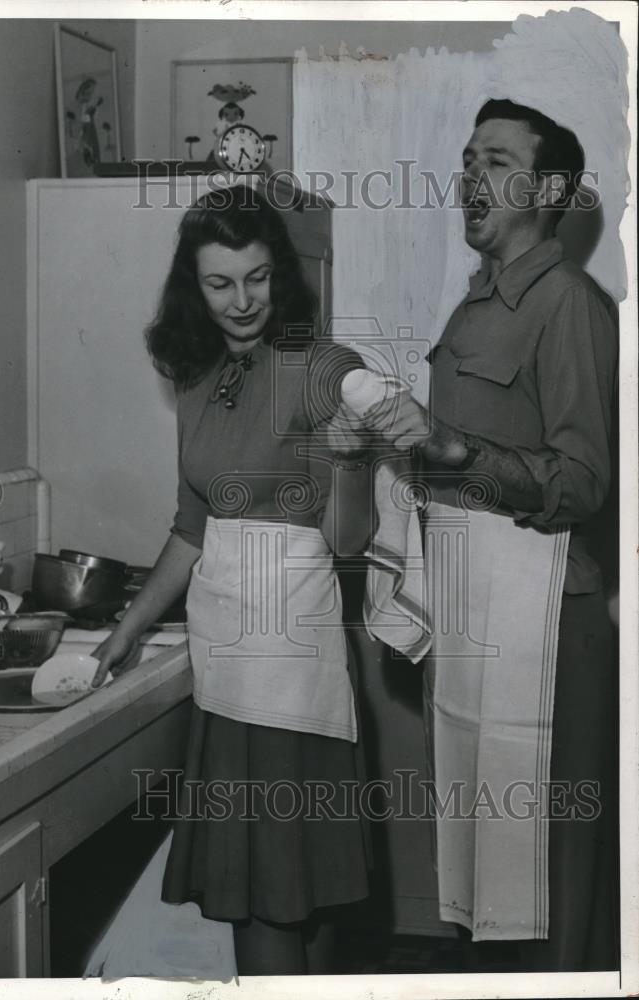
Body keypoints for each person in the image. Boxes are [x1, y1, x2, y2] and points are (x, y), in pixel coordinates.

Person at [91, 184, 377, 975]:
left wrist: (352, 462)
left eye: (255, 278)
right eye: (219, 283)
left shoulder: (320, 370)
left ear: (277, 275)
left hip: (289, 667)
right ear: (194, 284)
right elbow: (192, 527)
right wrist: (125, 630)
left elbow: (347, 541)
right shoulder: (196, 372)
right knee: (283, 885)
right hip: (224, 657)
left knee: (280, 890)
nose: (241, 300)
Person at [359, 100, 619, 971]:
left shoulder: (570, 305)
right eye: (468, 159)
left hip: (548, 630)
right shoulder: (473, 309)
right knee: (483, 873)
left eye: (496, 160)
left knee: (551, 884)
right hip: (477, 625)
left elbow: (583, 483)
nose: (471, 176)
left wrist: (453, 444)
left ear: (547, 188)